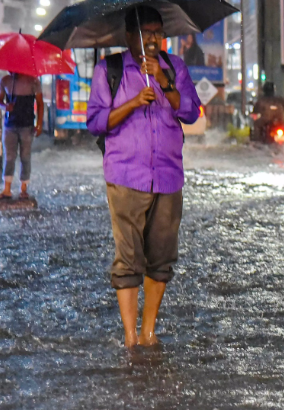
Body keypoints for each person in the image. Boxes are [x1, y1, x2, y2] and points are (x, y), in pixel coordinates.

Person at [87, 6, 201, 348]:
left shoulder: (174, 67)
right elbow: (95, 121)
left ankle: (149, 330)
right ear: (128, 36)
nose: (152, 39)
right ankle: (131, 337)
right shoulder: (110, 69)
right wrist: (135, 102)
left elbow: (192, 112)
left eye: (157, 32)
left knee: (162, 257)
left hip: (168, 175)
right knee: (128, 257)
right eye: (145, 32)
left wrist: (165, 83)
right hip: (125, 175)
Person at [0, 73, 43, 200]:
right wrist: (5, 106)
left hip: (27, 125)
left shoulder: (34, 81)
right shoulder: (5, 81)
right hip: (10, 125)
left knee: (25, 156)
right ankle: (7, 189)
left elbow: (40, 103)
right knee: (9, 156)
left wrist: (39, 124)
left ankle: (24, 188)